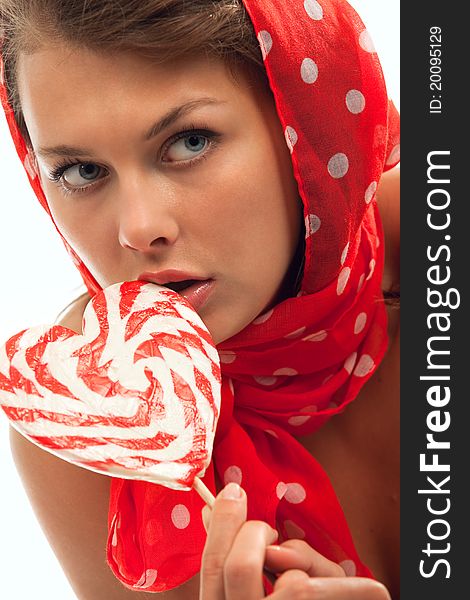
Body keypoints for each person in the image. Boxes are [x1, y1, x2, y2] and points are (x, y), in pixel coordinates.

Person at [0, 0, 400, 598]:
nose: (138, 229)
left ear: (306, 125)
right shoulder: (92, 411)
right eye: (82, 172)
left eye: (189, 142)